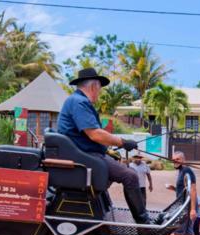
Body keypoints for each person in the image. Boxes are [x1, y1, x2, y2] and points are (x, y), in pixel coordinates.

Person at [57, 68, 153, 224]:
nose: (99, 92)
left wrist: (108, 149)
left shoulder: (75, 101)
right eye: (99, 89)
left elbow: (91, 136)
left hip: (83, 153)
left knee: (120, 168)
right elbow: (95, 134)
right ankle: (144, 222)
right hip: (84, 156)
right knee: (131, 176)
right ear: (94, 86)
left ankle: (106, 208)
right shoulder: (79, 102)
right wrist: (122, 142)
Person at [166, 151, 198, 235]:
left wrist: (192, 209)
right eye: (173, 159)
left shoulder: (187, 170)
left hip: (186, 207)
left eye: (178, 159)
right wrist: (174, 188)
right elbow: (185, 190)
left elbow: (193, 190)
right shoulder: (181, 171)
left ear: (183, 160)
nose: (175, 161)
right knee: (188, 234)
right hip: (185, 205)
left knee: (178, 233)